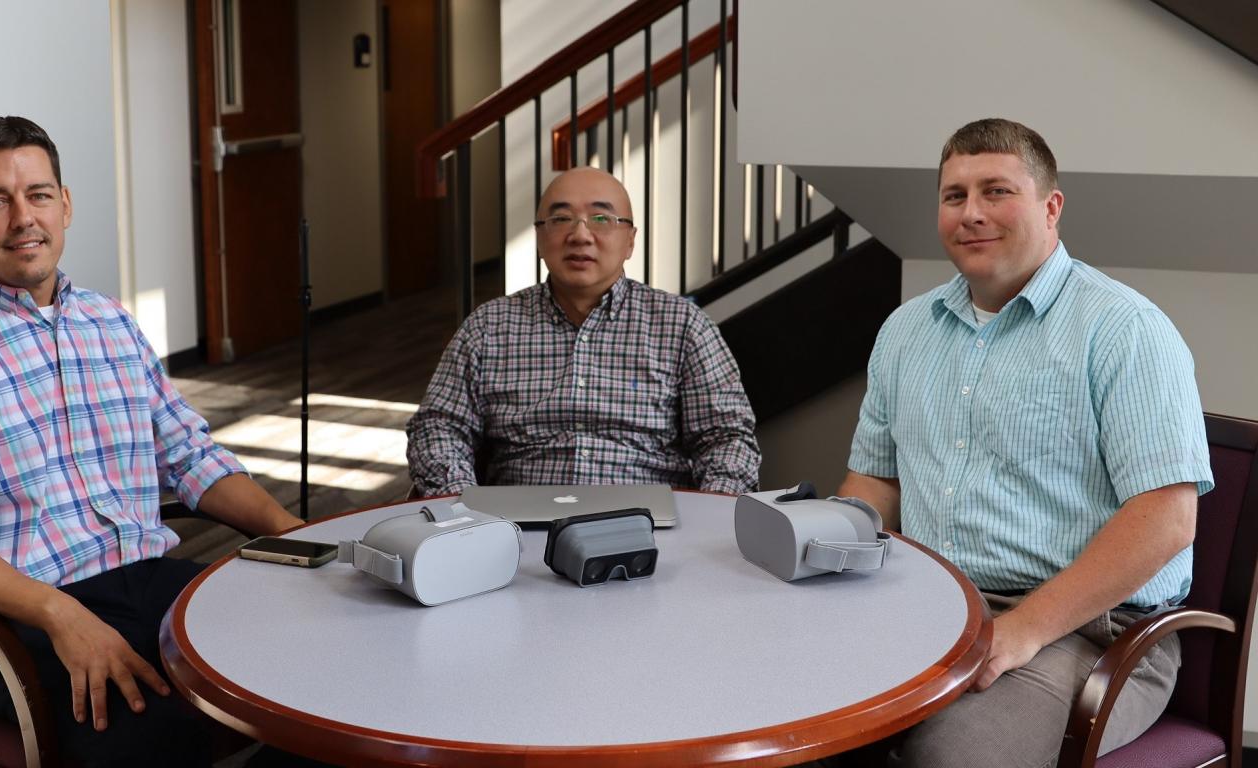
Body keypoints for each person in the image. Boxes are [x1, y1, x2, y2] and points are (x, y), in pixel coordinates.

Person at [0, 116, 305, 767]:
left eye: (38, 194)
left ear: (64, 205)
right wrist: (58, 614)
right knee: (154, 735)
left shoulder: (110, 322)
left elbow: (190, 457)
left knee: (325, 676)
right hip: (20, 618)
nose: (22, 218)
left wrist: (293, 534)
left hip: (153, 585)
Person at [838, 118, 1212, 766]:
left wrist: (1020, 631)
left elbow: (1167, 522)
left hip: (1090, 633)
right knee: (786, 721)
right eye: (954, 196)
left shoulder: (1124, 330)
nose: (972, 213)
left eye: (996, 191)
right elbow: (876, 481)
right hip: (927, 607)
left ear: (1051, 205)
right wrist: (822, 559)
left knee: (950, 760)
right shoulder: (905, 331)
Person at [406, 166, 760, 497]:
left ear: (630, 240)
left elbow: (727, 436)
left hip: (649, 526)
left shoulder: (683, 326)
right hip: (516, 529)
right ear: (540, 236)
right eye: (561, 219)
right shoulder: (488, 328)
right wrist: (462, 507)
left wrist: (710, 512)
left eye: (602, 219)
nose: (580, 235)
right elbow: (438, 426)